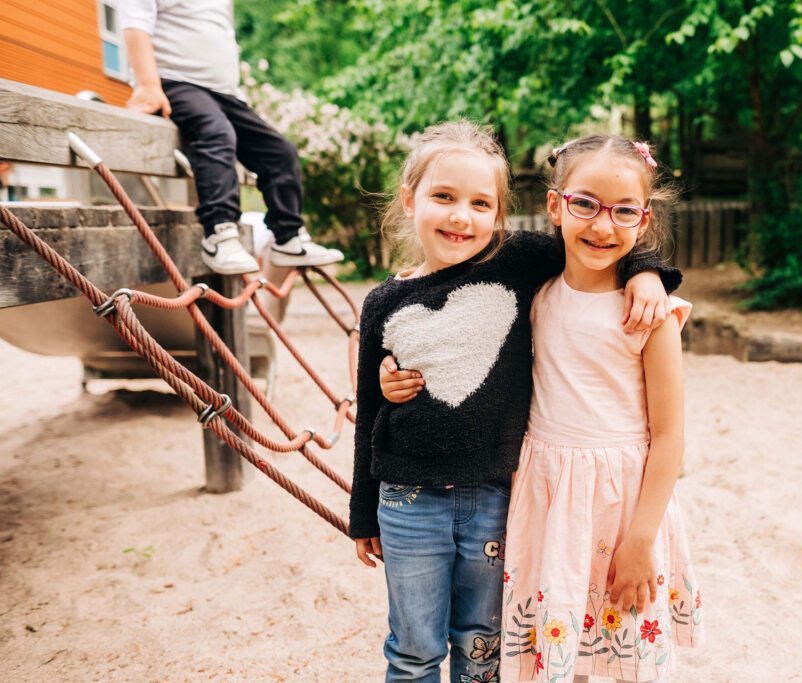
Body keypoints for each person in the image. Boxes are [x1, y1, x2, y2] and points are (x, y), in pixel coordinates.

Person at [352, 121, 682, 683]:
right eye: (444, 197)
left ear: (500, 213)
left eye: (481, 203)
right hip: (415, 495)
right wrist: (363, 509)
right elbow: (367, 412)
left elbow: (599, 242)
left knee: (484, 647)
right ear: (409, 200)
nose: (462, 217)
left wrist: (647, 271)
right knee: (413, 649)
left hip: (498, 494)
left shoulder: (518, 263)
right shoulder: (386, 301)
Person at [497, 135, 704, 682]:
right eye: (585, 204)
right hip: (548, 496)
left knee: (623, 643)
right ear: (554, 205)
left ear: (644, 219)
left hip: (624, 501)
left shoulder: (652, 316)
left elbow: (670, 436)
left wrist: (640, 539)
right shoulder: (534, 293)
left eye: (623, 211)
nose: (602, 226)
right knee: (564, 648)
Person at [118, 0, 343, 274]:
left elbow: (220, 34)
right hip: (174, 82)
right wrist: (148, 85)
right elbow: (136, 27)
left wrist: (235, 91)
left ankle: (288, 237)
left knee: (280, 151)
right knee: (216, 133)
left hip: (225, 93)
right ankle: (220, 232)